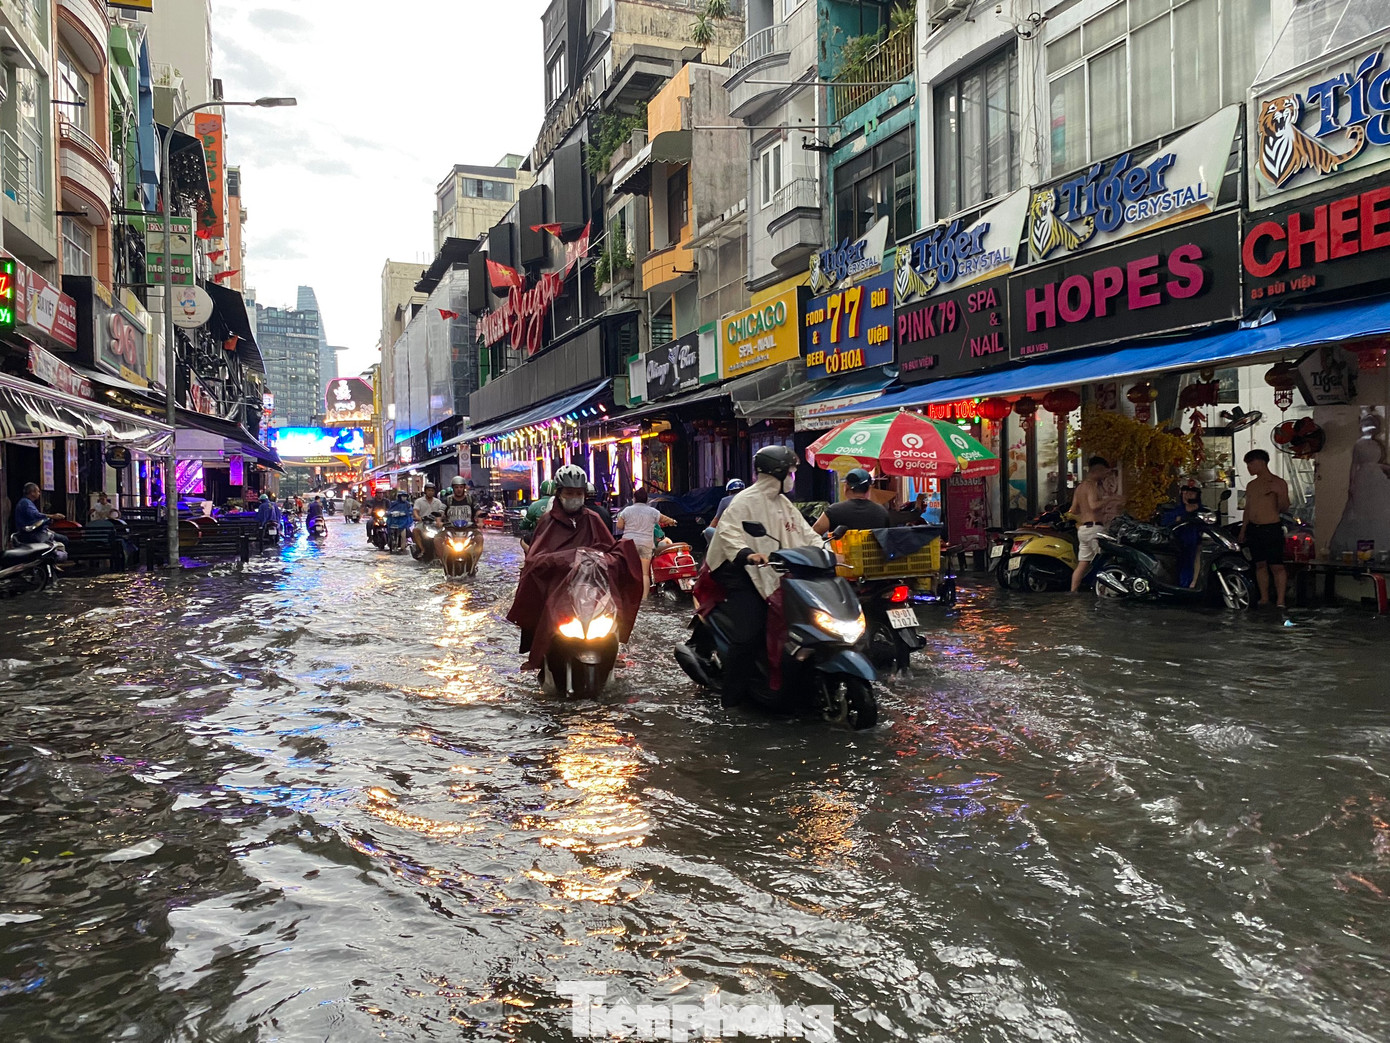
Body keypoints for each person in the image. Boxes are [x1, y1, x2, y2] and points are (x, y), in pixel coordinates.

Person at [704, 446, 821, 707]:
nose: (793, 477)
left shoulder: (784, 504)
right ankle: (732, 698)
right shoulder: (745, 500)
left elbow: (806, 533)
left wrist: (826, 550)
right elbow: (728, 531)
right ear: (777, 474)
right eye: (791, 472)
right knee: (750, 631)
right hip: (737, 570)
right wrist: (746, 553)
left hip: (774, 569)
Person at [506, 464, 642, 671]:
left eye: (578, 493)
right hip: (558, 591)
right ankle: (544, 657)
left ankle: (612, 651)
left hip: (592, 589)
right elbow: (535, 561)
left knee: (614, 610)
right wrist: (567, 559)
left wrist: (606, 560)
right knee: (547, 615)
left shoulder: (594, 519)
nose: (574, 497)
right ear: (559, 493)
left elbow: (611, 551)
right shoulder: (546, 522)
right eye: (569, 493)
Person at [1239, 448, 1290, 609]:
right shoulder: (1251, 485)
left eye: (1251, 464)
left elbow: (1284, 508)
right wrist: (1243, 529)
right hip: (1254, 528)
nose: (1249, 468)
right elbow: (1248, 508)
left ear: (1261, 463)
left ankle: (1280, 600)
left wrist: (1279, 493)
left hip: (1271, 527)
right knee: (1259, 564)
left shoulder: (1278, 482)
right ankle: (1264, 597)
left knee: (1276, 565)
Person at [1070, 456, 1126, 592]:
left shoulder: (1080, 487)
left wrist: (1085, 511)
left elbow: (1074, 509)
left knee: (1082, 564)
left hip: (1083, 530)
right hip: (1094, 529)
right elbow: (1094, 505)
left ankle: (1073, 592)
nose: (1106, 476)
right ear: (1098, 471)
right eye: (1105, 473)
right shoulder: (1091, 486)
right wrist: (1110, 499)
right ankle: (1104, 590)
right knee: (1105, 559)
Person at [616, 488, 678, 598]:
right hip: (646, 545)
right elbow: (664, 519)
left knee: (628, 571)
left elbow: (619, 526)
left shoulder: (626, 511)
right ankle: (644, 598)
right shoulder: (652, 512)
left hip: (629, 544)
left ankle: (629, 597)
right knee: (644, 573)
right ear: (646, 500)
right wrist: (673, 522)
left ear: (634, 499)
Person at [813, 468, 891, 534]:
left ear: (847, 487)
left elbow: (813, 534)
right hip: (874, 552)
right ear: (869, 488)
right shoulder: (882, 511)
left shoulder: (833, 510)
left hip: (839, 552)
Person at [1162, 482, 1206, 588]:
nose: (1188, 495)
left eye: (1191, 493)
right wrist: (1180, 518)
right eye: (1185, 493)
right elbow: (1165, 523)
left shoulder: (1203, 512)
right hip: (1178, 546)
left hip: (1196, 546)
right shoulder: (1175, 511)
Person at [14, 483, 68, 548]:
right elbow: (35, 515)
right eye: (38, 491)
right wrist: (52, 516)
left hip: (32, 532)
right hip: (31, 534)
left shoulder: (26, 502)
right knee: (64, 539)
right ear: (32, 493)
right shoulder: (26, 503)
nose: (39, 494)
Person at [702, 478, 745, 545]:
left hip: (730, 535)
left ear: (729, 491)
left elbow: (716, 520)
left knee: (708, 531)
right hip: (746, 535)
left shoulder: (725, 501)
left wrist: (708, 528)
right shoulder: (748, 499)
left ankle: (713, 553)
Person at [519, 480, 557, 547]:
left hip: (538, 539)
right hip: (557, 539)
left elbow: (523, 525)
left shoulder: (534, 505)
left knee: (523, 541)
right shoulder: (560, 504)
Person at [411, 482, 445, 555]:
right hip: (423, 523)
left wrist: (440, 520)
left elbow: (441, 512)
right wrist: (418, 517)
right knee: (415, 530)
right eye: (429, 490)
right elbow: (415, 511)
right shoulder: (419, 501)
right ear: (425, 491)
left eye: (432, 491)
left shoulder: (438, 502)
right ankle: (422, 549)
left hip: (435, 523)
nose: (430, 492)